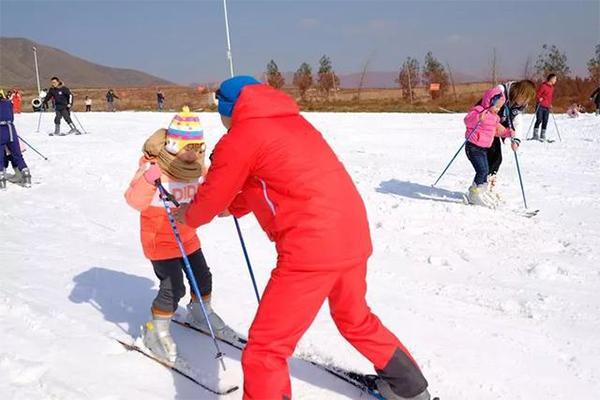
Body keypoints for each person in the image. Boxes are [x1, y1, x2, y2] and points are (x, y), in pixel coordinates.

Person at [175, 76, 431, 400]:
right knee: (355, 318)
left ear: (228, 109)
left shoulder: (240, 137)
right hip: (352, 235)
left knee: (266, 348)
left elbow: (208, 201)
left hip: (311, 249)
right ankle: (409, 389)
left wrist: (189, 214)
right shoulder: (294, 123)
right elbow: (273, 180)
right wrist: (234, 207)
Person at [124, 107, 238, 363]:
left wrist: (228, 200)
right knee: (173, 287)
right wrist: (146, 179)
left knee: (203, 278)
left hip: (187, 236)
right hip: (160, 240)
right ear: (173, 145)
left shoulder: (197, 168)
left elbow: (210, 193)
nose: (193, 153)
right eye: (187, 147)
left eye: (198, 147)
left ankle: (199, 310)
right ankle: (156, 331)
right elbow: (133, 201)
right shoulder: (155, 169)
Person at [483, 80, 536, 200]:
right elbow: (487, 110)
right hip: (485, 129)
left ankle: (487, 186)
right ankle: (481, 186)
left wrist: (516, 139)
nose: (524, 102)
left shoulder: (518, 104)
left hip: (495, 131)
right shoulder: (500, 92)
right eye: (524, 98)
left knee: (496, 159)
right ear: (519, 92)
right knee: (491, 158)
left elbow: (517, 121)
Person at [464, 86, 515, 208]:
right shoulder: (478, 111)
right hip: (473, 147)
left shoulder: (495, 118)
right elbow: (467, 120)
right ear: (489, 102)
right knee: (481, 170)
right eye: (496, 106)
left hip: (483, 149)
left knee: (486, 171)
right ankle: (473, 193)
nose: (498, 109)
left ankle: (480, 191)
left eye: (500, 107)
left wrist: (507, 132)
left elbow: (497, 130)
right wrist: (477, 118)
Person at [0, 92, 31, 189]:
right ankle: (26, 176)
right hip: (11, 130)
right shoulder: (8, 103)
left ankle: (2, 181)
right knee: (17, 154)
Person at [532, 73, 557, 141]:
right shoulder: (543, 86)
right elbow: (537, 94)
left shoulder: (552, 88)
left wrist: (550, 104)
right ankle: (535, 134)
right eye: (555, 79)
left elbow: (549, 97)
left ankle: (543, 135)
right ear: (551, 79)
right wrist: (539, 98)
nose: (555, 80)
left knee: (545, 121)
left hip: (547, 107)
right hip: (540, 106)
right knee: (539, 119)